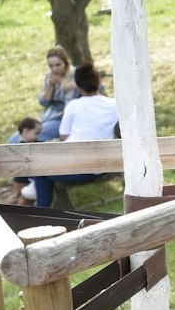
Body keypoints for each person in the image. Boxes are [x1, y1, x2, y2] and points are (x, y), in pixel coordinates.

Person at [33, 62, 118, 208]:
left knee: (39, 169)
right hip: (107, 163)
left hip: (79, 168)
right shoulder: (115, 104)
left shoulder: (73, 106)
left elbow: (63, 138)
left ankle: (43, 213)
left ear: (78, 85)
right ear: (99, 82)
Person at [36, 46, 80, 141]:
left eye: (58, 65)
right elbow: (43, 102)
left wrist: (77, 85)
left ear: (65, 62)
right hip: (48, 116)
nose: (54, 69)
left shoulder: (76, 75)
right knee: (14, 140)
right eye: (51, 66)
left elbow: (97, 88)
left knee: (37, 136)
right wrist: (50, 86)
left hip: (64, 118)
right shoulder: (50, 77)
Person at [4, 116, 40, 205]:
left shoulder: (37, 144)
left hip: (32, 177)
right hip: (22, 178)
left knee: (24, 199)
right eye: (36, 133)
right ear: (26, 131)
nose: (38, 136)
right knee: (22, 199)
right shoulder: (19, 148)